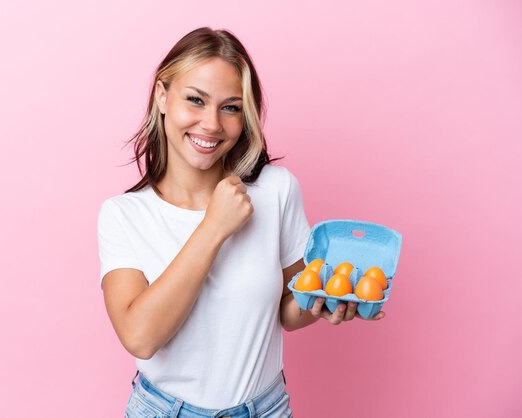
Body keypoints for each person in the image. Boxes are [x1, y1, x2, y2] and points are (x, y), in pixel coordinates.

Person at [97, 27, 384, 418]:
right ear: (162, 96)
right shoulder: (124, 215)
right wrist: (214, 227)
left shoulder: (277, 190)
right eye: (195, 100)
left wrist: (323, 304)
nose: (212, 124)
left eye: (230, 107)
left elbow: (287, 309)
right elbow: (140, 338)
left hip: (264, 409)